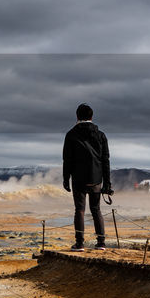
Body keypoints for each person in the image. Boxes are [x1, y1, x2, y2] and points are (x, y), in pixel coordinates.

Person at [62, 103, 113, 250]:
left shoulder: (71, 135)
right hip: (96, 178)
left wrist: (66, 179)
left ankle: (79, 243)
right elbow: (105, 160)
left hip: (78, 178)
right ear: (92, 117)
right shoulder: (101, 135)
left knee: (80, 209)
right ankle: (101, 243)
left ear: (77, 116)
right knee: (96, 209)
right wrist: (107, 184)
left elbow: (67, 160)